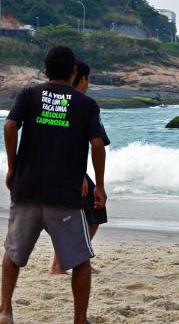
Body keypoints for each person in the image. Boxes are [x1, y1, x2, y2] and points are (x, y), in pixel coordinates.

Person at [1, 46, 108, 324]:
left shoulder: (29, 94)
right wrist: (100, 185)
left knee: (13, 254)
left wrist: (13, 166)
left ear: (45, 71)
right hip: (65, 195)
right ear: (74, 72)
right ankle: (79, 319)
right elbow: (97, 144)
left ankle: (4, 311)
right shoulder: (86, 104)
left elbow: (10, 126)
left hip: (27, 189)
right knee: (80, 259)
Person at [50, 60, 110, 275]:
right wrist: (80, 176)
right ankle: (61, 263)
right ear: (81, 77)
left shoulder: (53, 101)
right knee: (82, 213)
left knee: (88, 213)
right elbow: (96, 144)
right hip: (69, 169)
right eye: (88, 79)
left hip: (54, 166)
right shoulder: (83, 103)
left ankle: (71, 259)